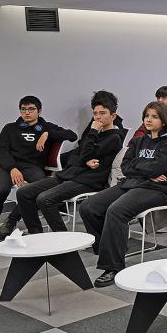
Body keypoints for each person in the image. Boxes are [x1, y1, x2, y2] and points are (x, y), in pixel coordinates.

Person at [79, 102, 167, 287]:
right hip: (132, 182)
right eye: (147, 116)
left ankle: (113, 266)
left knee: (116, 211)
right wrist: (146, 170)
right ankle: (109, 248)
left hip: (156, 189)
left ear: (164, 120)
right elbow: (125, 166)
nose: (148, 119)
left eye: (154, 116)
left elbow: (156, 167)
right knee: (88, 207)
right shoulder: (139, 140)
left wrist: (140, 167)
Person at [17, 90, 123, 234]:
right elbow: (77, 155)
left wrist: (91, 136)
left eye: (102, 113)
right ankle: (36, 233)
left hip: (88, 180)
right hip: (70, 174)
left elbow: (85, 153)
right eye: (95, 113)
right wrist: (84, 160)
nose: (97, 117)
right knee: (23, 192)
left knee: (44, 199)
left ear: (113, 116)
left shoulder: (114, 138)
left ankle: (63, 239)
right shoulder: (95, 133)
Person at [0, 96, 77, 236]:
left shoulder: (46, 127)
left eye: (31, 109)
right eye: (23, 109)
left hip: (32, 166)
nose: (27, 112)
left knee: (35, 190)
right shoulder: (10, 128)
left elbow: (72, 135)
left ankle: (12, 220)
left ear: (39, 111)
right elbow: (1, 151)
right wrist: (12, 168)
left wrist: (47, 133)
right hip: (7, 166)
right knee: (1, 189)